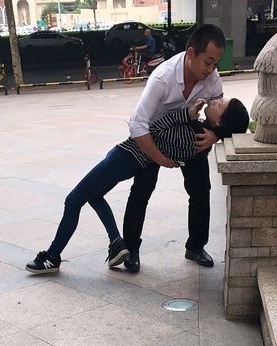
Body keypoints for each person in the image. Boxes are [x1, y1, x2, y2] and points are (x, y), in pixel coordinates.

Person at [25, 97, 249, 274]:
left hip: (125, 157)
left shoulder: (192, 137)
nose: (215, 100)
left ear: (219, 122)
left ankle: (53, 257)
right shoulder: (201, 136)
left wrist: (186, 114)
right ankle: (116, 242)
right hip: (128, 157)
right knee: (94, 195)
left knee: (73, 200)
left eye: (220, 105)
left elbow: (153, 128)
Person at [122, 24, 226, 273]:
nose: (211, 70)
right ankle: (130, 249)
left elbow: (220, 114)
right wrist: (158, 157)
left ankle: (196, 246)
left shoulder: (212, 78)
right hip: (155, 134)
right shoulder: (163, 77)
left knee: (201, 189)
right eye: (208, 62)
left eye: (216, 63)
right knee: (141, 191)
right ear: (191, 53)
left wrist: (214, 136)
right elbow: (137, 124)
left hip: (188, 134)